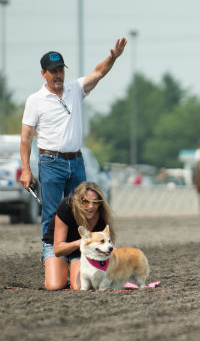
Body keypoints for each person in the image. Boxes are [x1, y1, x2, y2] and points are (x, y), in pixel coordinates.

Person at [19, 38, 126, 250]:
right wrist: (25, 169)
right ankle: (50, 255)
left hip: (76, 161)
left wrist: (113, 57)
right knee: (51, 212)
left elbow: (98, 73)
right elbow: (26, 138)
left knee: (82, 209)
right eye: (53, 71)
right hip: (50, 162)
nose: (58, 75)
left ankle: (78, 254)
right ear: (44, 73)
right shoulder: (35, 100)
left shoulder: (75, 89)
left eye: (61, 70)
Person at [42, 181, 114, 290]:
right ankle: (52, 263)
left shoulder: (102, 216)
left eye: (95, 202)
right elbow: (57, 249)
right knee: (54, 285)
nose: (91, 206)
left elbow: (106, 248)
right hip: (58, 247)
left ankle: (70, 274)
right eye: (85, 202)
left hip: (83, 251)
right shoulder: (66, 207)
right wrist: (79, 242)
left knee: (79, 286)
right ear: (77, 201)